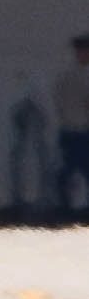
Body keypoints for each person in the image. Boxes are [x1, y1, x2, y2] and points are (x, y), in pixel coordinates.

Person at [51, 37, 89, 216]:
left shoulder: (63, 76)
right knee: (83, 168)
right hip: (82, 130)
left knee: (68, 168)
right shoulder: (83, 76)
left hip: (66, 130)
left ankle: (63, 206)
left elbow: (56, 102)